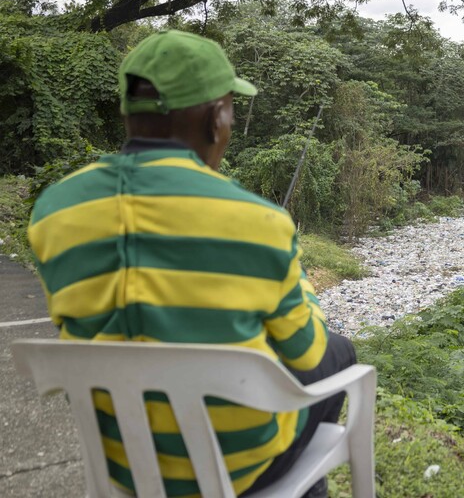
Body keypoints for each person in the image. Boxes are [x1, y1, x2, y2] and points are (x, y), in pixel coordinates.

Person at [27, 30, 355, 497]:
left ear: (127, 112)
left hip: (121, 461)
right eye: (231, 111)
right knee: (339, 352)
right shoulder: (260, 222)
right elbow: (308, 352)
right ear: (217, 118)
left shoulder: (53, 210)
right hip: (239, 468)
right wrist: (296, 278)